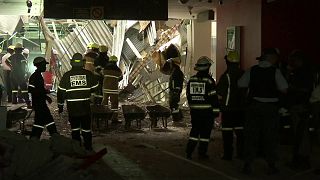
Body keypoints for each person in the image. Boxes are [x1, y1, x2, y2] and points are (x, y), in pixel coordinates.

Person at [238, 48, 288, 174]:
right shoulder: (275, 72)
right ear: (272, 58)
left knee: (251, 136)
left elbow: (241, 84)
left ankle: (248, 164)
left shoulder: (252, 70)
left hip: (254, 106)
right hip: (270, 108)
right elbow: (284, 89)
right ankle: (271, 165)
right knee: (270, 137)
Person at [57, 53, 98, 151]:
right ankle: (88, 147)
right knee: (86, 129)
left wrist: (61, 106)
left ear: (71, 63)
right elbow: (95, 87)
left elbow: (60, 92)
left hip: (73, 108)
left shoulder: (67, 76)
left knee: (75, 129)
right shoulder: (88, 74)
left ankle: (77, 148)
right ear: (82, 63)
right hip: (85, 107)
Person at [185, 56, 220, 160]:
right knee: (205, 134)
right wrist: (216, 111)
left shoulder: (192, 80)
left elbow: (188, 95)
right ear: (207, 68)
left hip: (195, 112)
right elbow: (214, 98)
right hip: (207, 113)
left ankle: (189, 152)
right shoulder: (209, 81)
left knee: (194, 132)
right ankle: (202, 153)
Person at [285, 50, 314, 170]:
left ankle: (302, 160)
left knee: (301, 135)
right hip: (301, 105)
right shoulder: (305, 71)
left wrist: (292, 88)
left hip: (300, 106)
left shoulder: (301, 73)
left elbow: (304, 89)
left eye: (293, 59)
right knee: (301, 134)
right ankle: (301, 159)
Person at [216, 50, 245, 160]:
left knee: (227, 133)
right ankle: (241, 154)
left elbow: (219, 92)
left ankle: (228, 155)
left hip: (228, 109)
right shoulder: (243, 73)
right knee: (240, 133)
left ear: (228, 62)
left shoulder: (226, 76)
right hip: (241, 109)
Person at [28, 57, 58, 139]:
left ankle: (36, 137)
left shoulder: (38, 76)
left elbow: (37, 89)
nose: (45, 66)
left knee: (42, 120)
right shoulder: (35, 76)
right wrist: (44, 94)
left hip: (39, 103)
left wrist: (45, 93)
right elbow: (32, 89)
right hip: (39, 103)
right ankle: (52, 135)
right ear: (39, 65)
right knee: (44, 119)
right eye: (44, 65)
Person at [163, 44, 184, 122]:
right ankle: (179, 117)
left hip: (175, 91)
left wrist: (175, 91)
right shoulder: (176, 71)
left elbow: (177, 83)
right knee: (174, 104)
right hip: (175, 91)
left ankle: (177, 119)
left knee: (173, 105)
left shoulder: (176, 73)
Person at [102, 55, 123, 124]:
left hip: (105, 88)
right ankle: (114, 119)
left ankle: (103, 117)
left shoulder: (105, 69)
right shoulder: (118, 70)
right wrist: (115, 81)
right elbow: (121, 77)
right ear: (116, 62)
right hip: (114, 89)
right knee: (114, 104)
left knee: (104, 102)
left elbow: (102, 75)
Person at [9, 43, 31, 107]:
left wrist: (12, 67)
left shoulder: (12, 56)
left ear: (15, 49)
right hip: (20, 74)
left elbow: (6, 61)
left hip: (12, 74)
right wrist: (25, 74)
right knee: (24, 88)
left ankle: (14, 101)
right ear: (21, 50)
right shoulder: (22, 56)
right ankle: (28, 103)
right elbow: (23, 67)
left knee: (14, 88)